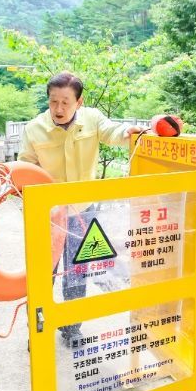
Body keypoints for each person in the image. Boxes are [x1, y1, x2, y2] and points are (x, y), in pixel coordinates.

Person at [18, 71, 145, 347]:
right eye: (53, 101)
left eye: (65, 102)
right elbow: (25, 166)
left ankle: (71, 328)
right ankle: (36, 330)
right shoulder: (34, 129)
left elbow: (113, 132)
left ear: (79, 102)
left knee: (77, 271)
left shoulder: (93, 119)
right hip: (47, 214)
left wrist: (128, 132)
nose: (58, 108)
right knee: (43, 273)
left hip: (83, 210)